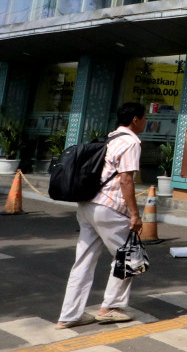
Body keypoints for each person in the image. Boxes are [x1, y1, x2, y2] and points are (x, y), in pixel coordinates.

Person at [56, 102, 144, 329]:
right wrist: (135, 214)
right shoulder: (131, 142)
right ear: (135, 119)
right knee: (129, 258)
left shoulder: (110, 138)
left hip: (87, 205)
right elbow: (126, 179)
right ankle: (110, 307)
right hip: (110, 208)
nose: (145, 123)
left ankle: (69, 315)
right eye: (144, 118)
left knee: (83, 261)